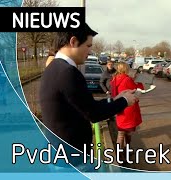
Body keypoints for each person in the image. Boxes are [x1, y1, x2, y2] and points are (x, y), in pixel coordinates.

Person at [39, 23, 138, 170]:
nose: (90, 51)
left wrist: (114, 99)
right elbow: (93, 114)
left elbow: (85, 105)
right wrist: (124, 101)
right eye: (88, 46)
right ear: (73, 42)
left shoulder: (53, 68)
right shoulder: (68, 72)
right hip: (73, 161)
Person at [110, 62, 143, 164]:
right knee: (127, 133)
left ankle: (120, 155)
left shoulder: (115, 79)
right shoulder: (127, 79)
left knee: (121, 134)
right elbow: (137, 91)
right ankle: (126, 152)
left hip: (120, 109)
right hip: (128, 109)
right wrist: (139, 83)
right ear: (125, 69)